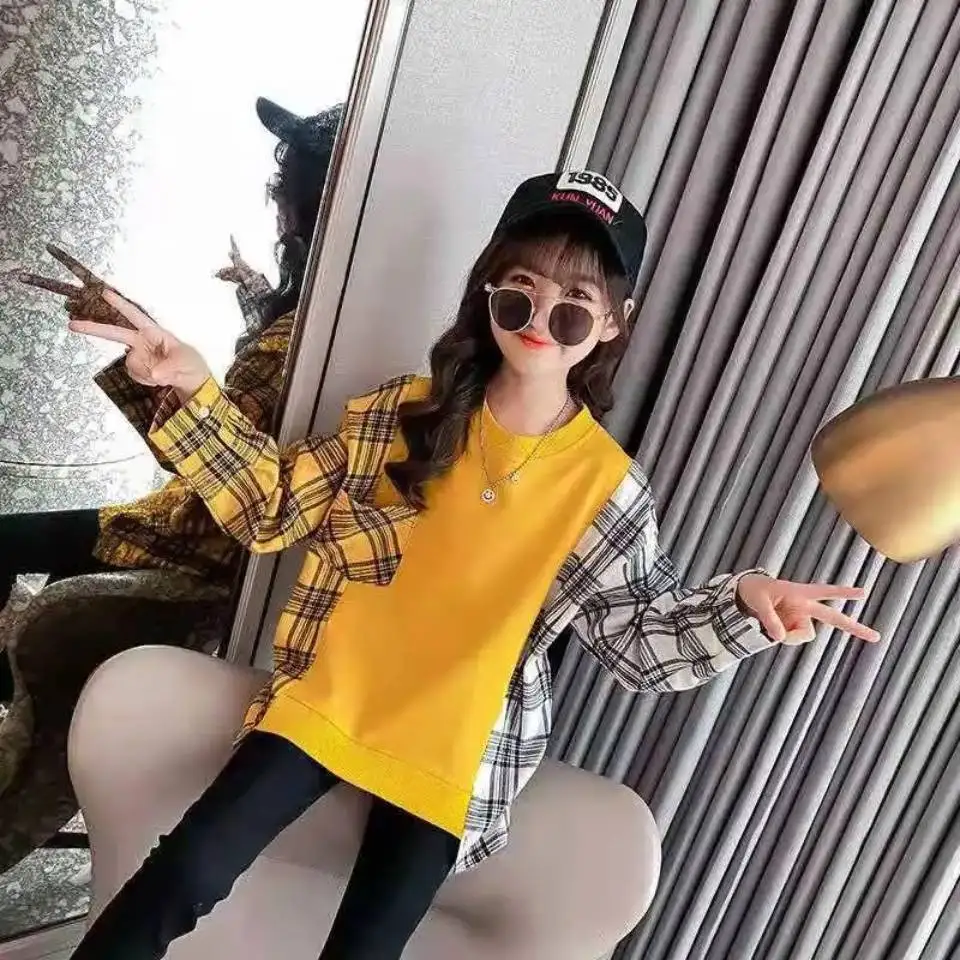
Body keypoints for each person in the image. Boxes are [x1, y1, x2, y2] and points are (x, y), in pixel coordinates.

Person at [65, 170, 880, 960]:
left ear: (612, 324)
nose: (541, 319)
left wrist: (743, 607)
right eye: (522, 291)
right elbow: (274, 505)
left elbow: (636, 643)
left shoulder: (606, 488)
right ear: (489, 289)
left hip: (453, 760)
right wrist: (192, 387)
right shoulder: (404, 412)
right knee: (184, 873)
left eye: (574, 306)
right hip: (327, 702)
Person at [0, 98, 343, 703]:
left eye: (286, 187)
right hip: (181, 529)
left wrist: (161, 359)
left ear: (311, 207)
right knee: (44, 621)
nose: (276, 202)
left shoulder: (308, 336)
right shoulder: (316, 315)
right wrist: (244, 289)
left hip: (182, 538)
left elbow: (217, 461)